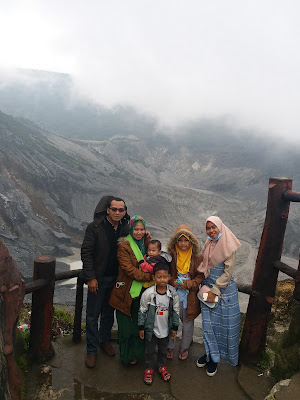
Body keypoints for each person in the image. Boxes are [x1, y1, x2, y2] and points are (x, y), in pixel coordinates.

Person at [81, 195, 129, 368]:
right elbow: (86, 252)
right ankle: (91, 350)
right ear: (107, 210)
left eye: (121, 210)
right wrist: (91, 277)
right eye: (114, 209)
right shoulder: (94, 227)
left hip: (116, 279)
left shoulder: (125, 228)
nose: (117, 212)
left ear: (124, 212)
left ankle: (104, 340)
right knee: (93, 315)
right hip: (98, 279)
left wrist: (146, 237)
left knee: (109, 313)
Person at [196, 216, 241, 377]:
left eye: (213, 227)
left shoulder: (229, 246)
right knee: (208, 326)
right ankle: (209, 354)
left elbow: (227, 273)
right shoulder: (209, 243)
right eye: (208, 228)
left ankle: (215, 359)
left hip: (222, 292)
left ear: (220, 227)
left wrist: (215, 290)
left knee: (220, 327)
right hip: (207, 289)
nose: (211, 231)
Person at [109, 215, 153, 365]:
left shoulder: (146, 244)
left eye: (142, 229)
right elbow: (129, 270)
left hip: (142, 293)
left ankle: (137, 355)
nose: (139, 232)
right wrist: (149, 276)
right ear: (131, 229)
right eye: (136, 229)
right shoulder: (124, 246)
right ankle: (127, 356)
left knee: (139, 326)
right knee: (126, 327)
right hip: (125, 292)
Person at [138, 263, 180, 385]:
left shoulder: (172, 294)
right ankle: (149, 368)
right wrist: (141, 327)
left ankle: (162, 366)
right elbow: (142, 310)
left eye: (165, 277)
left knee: (163, 350)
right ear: (153, 278)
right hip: (151, 330)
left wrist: (175, 327)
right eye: (159, 277)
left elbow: (176, 311)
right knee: (149, 351)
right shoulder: (148, 294)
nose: (162, 280)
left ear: (169, 277)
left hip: (165, 329)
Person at [167, 225, 204, 360]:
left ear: (191, 242)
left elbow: (200, 276)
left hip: (190, 296)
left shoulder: (196, 258)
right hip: (174, 294)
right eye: (180, 240)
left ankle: (184, 346)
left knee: (188, 322)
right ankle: (169, 346)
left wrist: (189, 284)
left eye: (186, 240)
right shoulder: (171, 256)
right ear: (175, 242)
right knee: (171, 320)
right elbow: (167, 274)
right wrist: (173, 281)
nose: (183, 243)